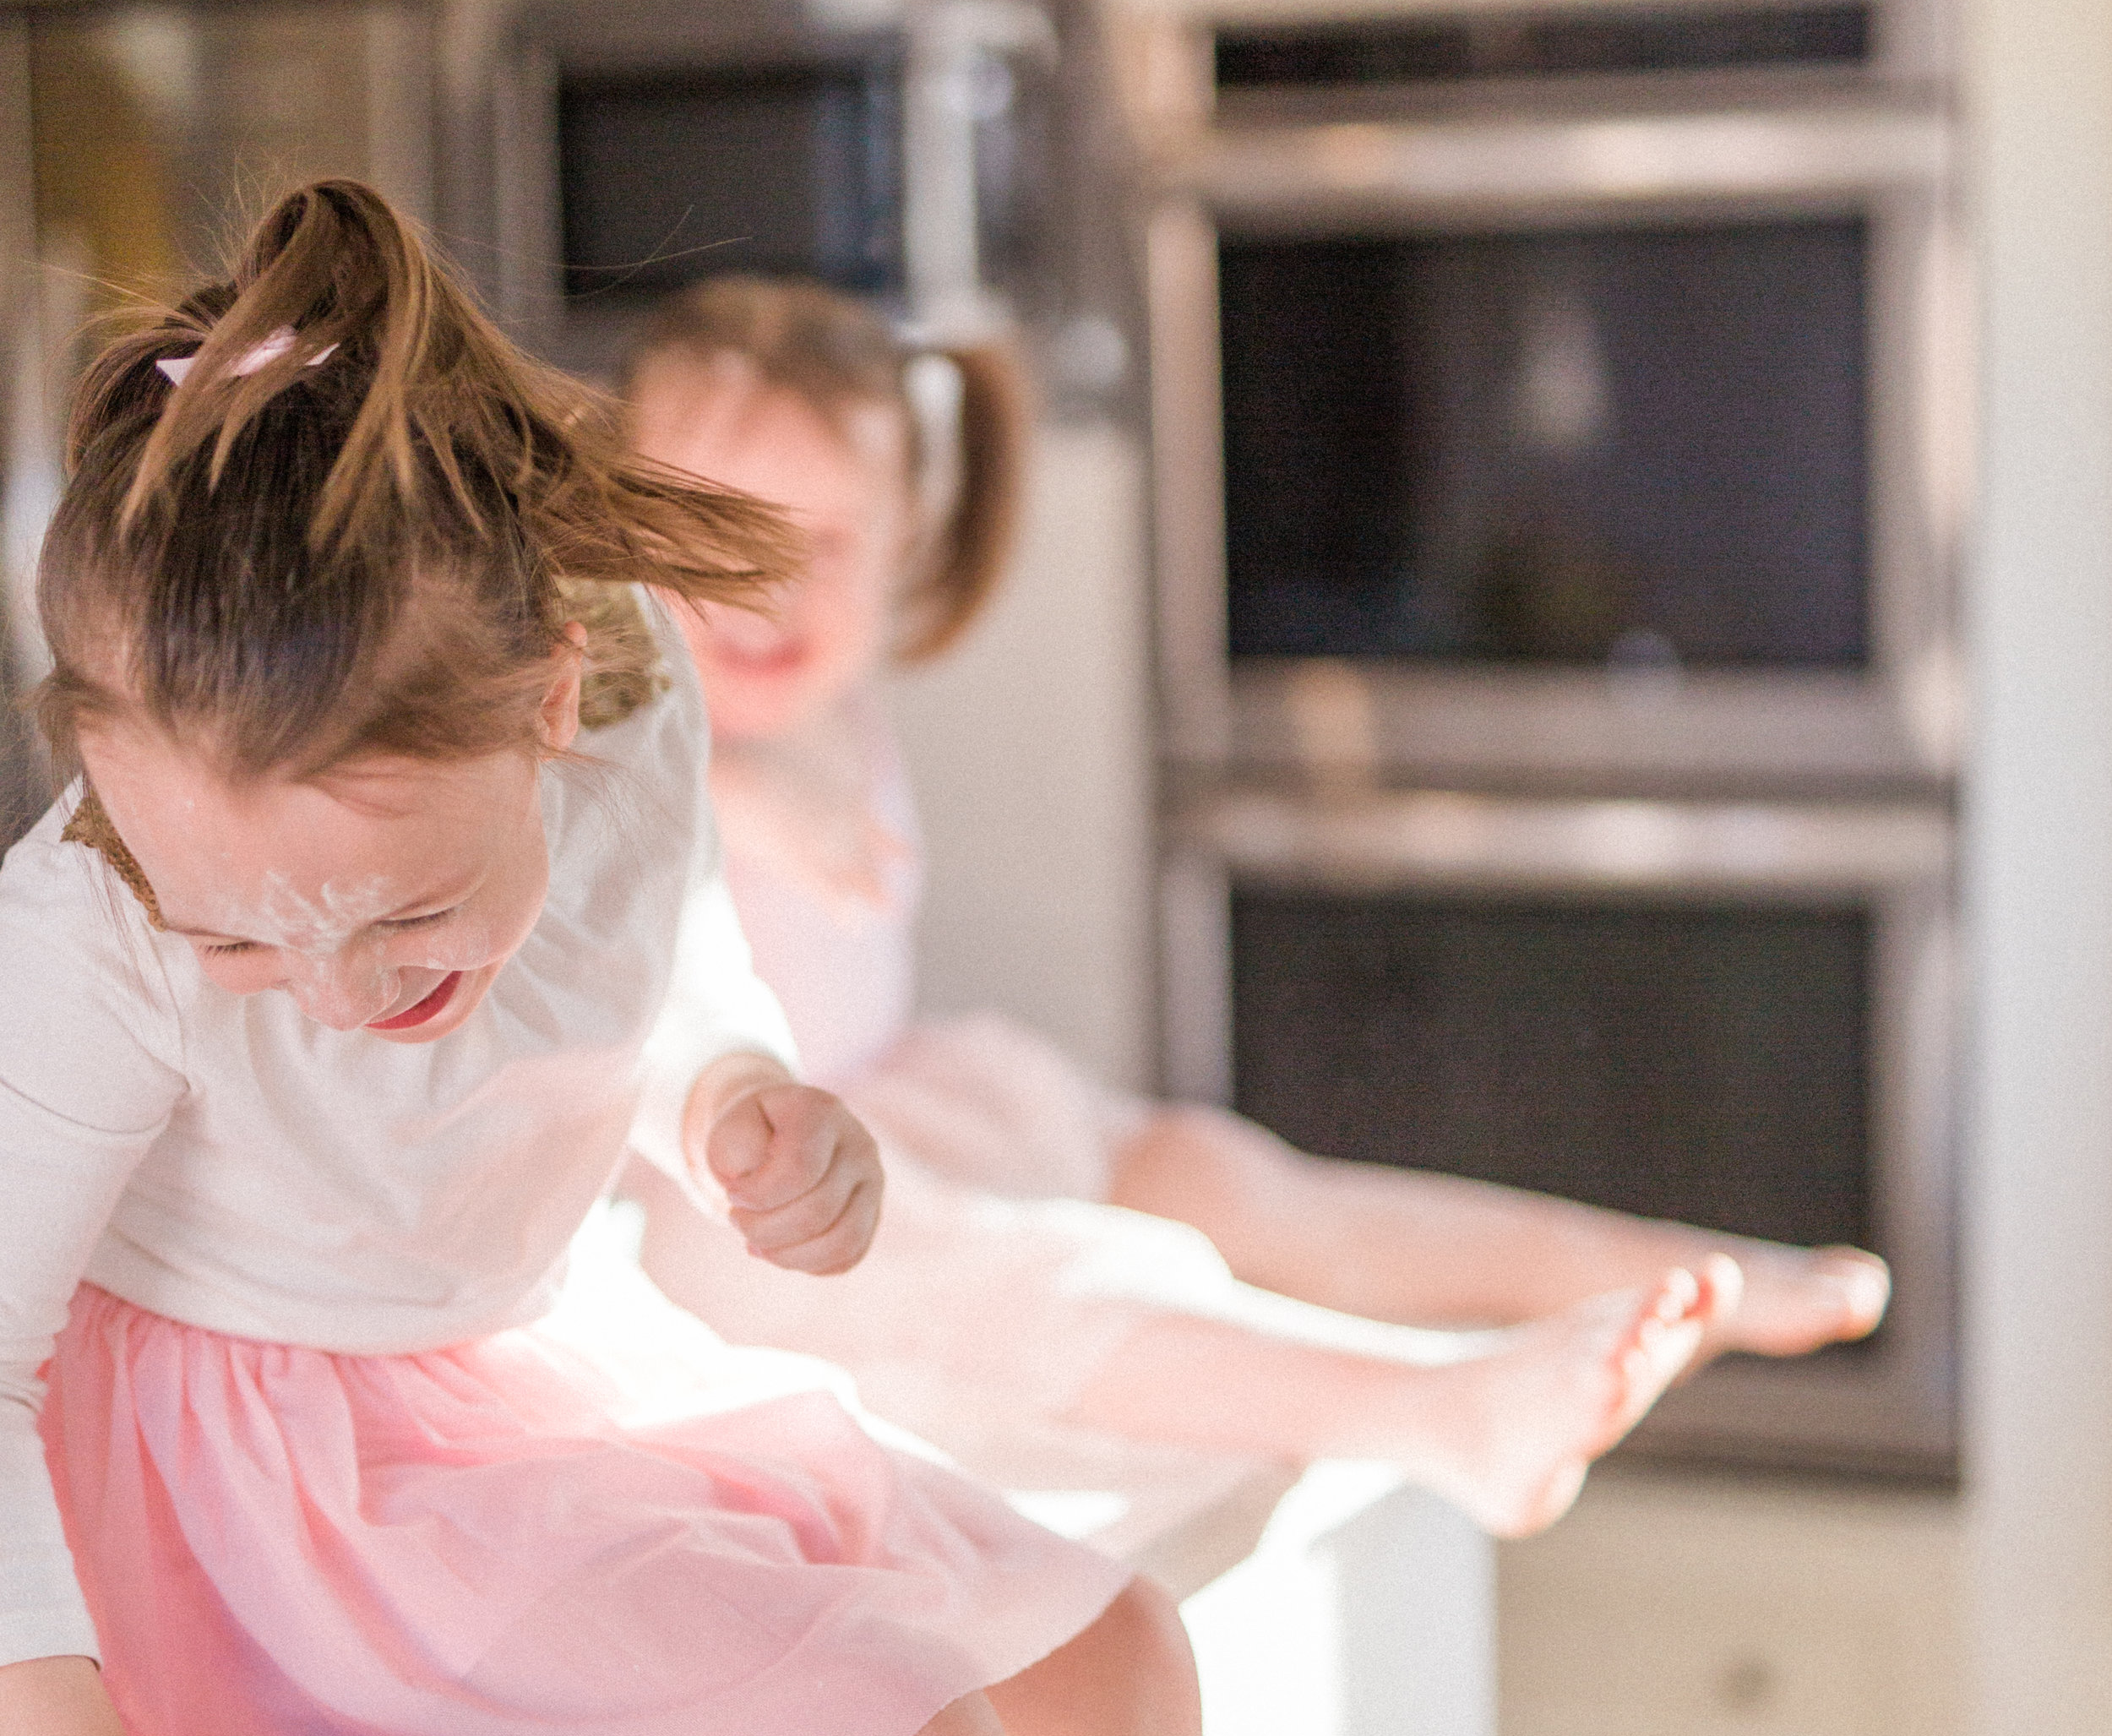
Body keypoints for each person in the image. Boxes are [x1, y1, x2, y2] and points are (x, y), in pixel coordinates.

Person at [0, 183, 1287, 1736]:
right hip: (260, 1503)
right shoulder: (87, 922)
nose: (335, 982)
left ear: (541, 700)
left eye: (407, 911)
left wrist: (734, 1100)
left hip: (510, 1365)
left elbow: (648, 952)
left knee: (1121, 1655)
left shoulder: (635, 690)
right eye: (244, 941)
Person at [618, 276, 1886, 1538]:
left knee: (1222, 1179)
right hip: (728, 1198)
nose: (764, 588)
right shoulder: (631, 724)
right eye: (707, 532)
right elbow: (584, 768)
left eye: (823, 542)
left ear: (906, 544)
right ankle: (1438, 1409)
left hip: (896, 1095)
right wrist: (730, 785)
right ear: (613, 532)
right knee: (1041, 1282)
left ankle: (1672, 1278)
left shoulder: (831, 699)